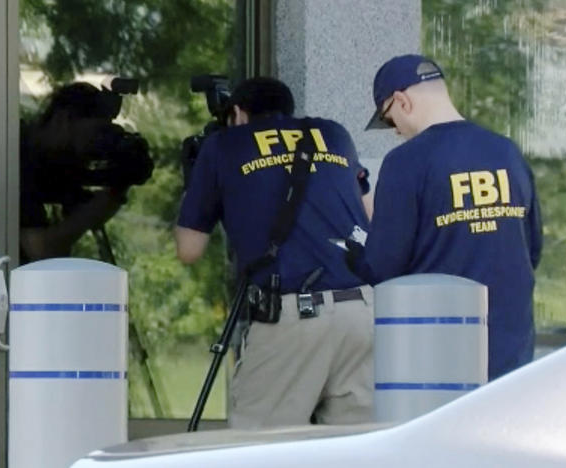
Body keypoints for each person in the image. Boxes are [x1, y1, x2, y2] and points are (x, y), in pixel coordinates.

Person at [175, 77, 374, 428]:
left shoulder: (224, 146)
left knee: (259, 449)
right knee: (355, 450)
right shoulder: (333, 134)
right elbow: (368, 214)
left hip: (294, 316)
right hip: (361, 312)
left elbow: (189, 249)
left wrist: (196, 185)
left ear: (237, 113)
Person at [348, 54, 543, 380]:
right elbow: (531, 248)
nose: (395, 132)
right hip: (512, 349)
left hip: (440, 352)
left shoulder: (405, 162)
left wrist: (352, 253)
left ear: (401, 101)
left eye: (389, 120)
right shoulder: (507, 152)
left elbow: (384, 266)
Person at [20, 81, 152, 263]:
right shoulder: (17, 160)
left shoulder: (52, 166)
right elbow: (41, 249)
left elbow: (83, 217)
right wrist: (110, 198)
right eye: (94, 134)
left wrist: (117, 187)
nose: (94, 148)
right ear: (63, 120)